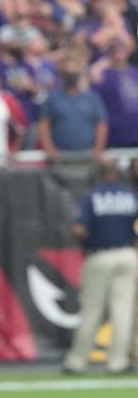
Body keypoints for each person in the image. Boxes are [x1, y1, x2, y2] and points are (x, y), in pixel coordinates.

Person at [63, 160, 138, 375]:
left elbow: (78, 228)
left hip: (100, 254)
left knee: (91, 311)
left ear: (99, 174)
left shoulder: (93, 197)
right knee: (122, 312)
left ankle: (77, 361)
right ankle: (118, 362)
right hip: (127, 254)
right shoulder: (130, 196)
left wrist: (89, 239)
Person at [38, 57, 109, 157]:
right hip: (60, 154)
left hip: (88, 152)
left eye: (74, 73)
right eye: (68, 73)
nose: (71, 77)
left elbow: (101, 124)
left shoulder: (92, 98)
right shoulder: (52, 99)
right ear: (62, 75)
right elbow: (43, 125)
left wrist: (98, 148)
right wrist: (49, 149)